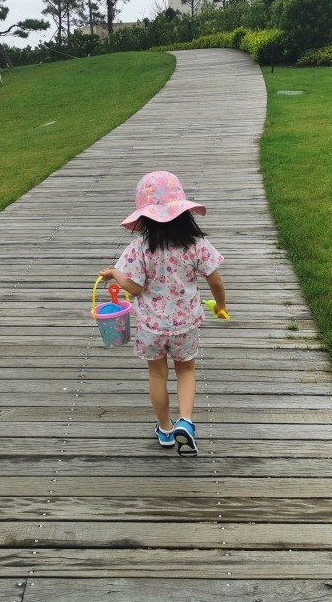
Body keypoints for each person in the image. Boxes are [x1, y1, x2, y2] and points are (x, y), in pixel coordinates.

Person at [99, 171, 227, 457]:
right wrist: (221, 306)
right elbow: (215, 282)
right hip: (185, 325)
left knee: (157, 376)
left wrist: (115, 274)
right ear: (183, 213)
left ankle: (166, 429)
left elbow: (133, 286)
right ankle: (186, 422)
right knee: (186, 371)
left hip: (151, 328)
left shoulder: (139, 249)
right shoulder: (197, 245)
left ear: (144, 218)